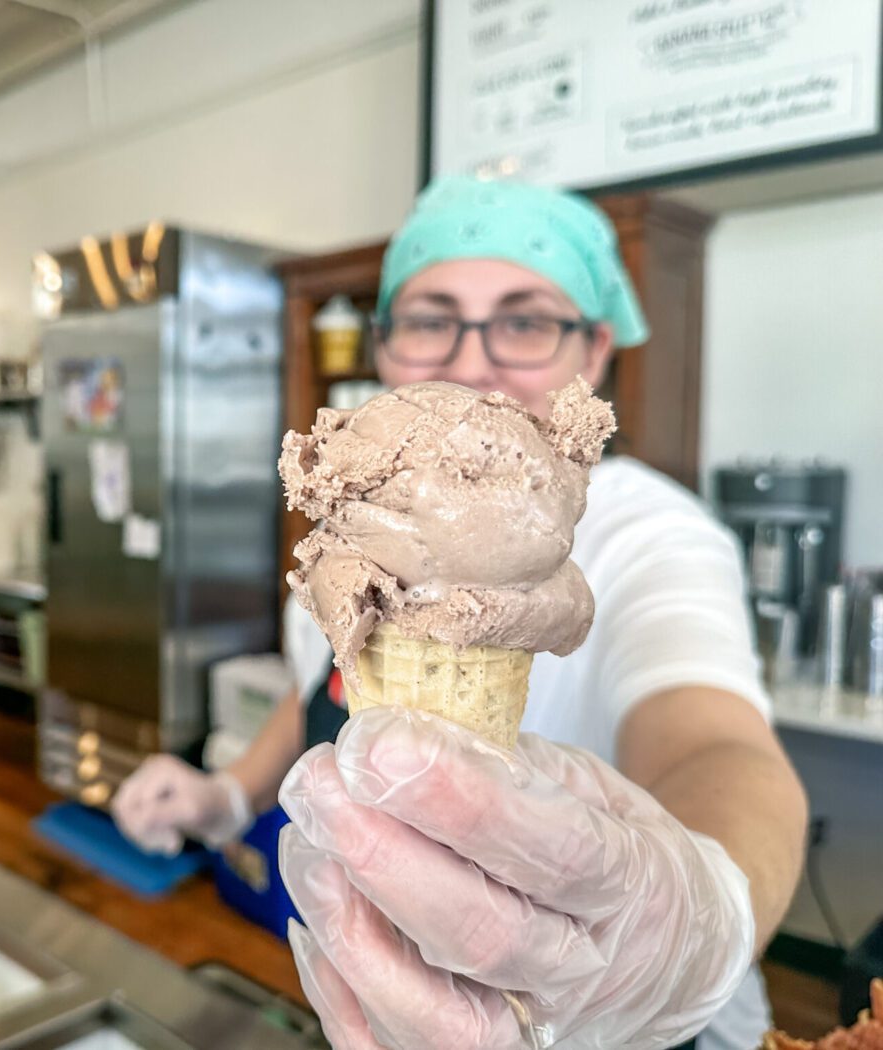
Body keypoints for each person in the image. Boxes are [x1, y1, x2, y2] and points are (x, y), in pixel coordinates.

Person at [110, 176, 808, 1049]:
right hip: (390, 998)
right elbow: (322, 691)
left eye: (525, 321)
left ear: (594, 353)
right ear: (387, 347)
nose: (471, 361)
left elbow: (721, 745)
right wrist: (227, 795)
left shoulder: (650, 531)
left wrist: (700, 920)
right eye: (432, 317)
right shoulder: (354, 525)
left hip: (627, 1030)